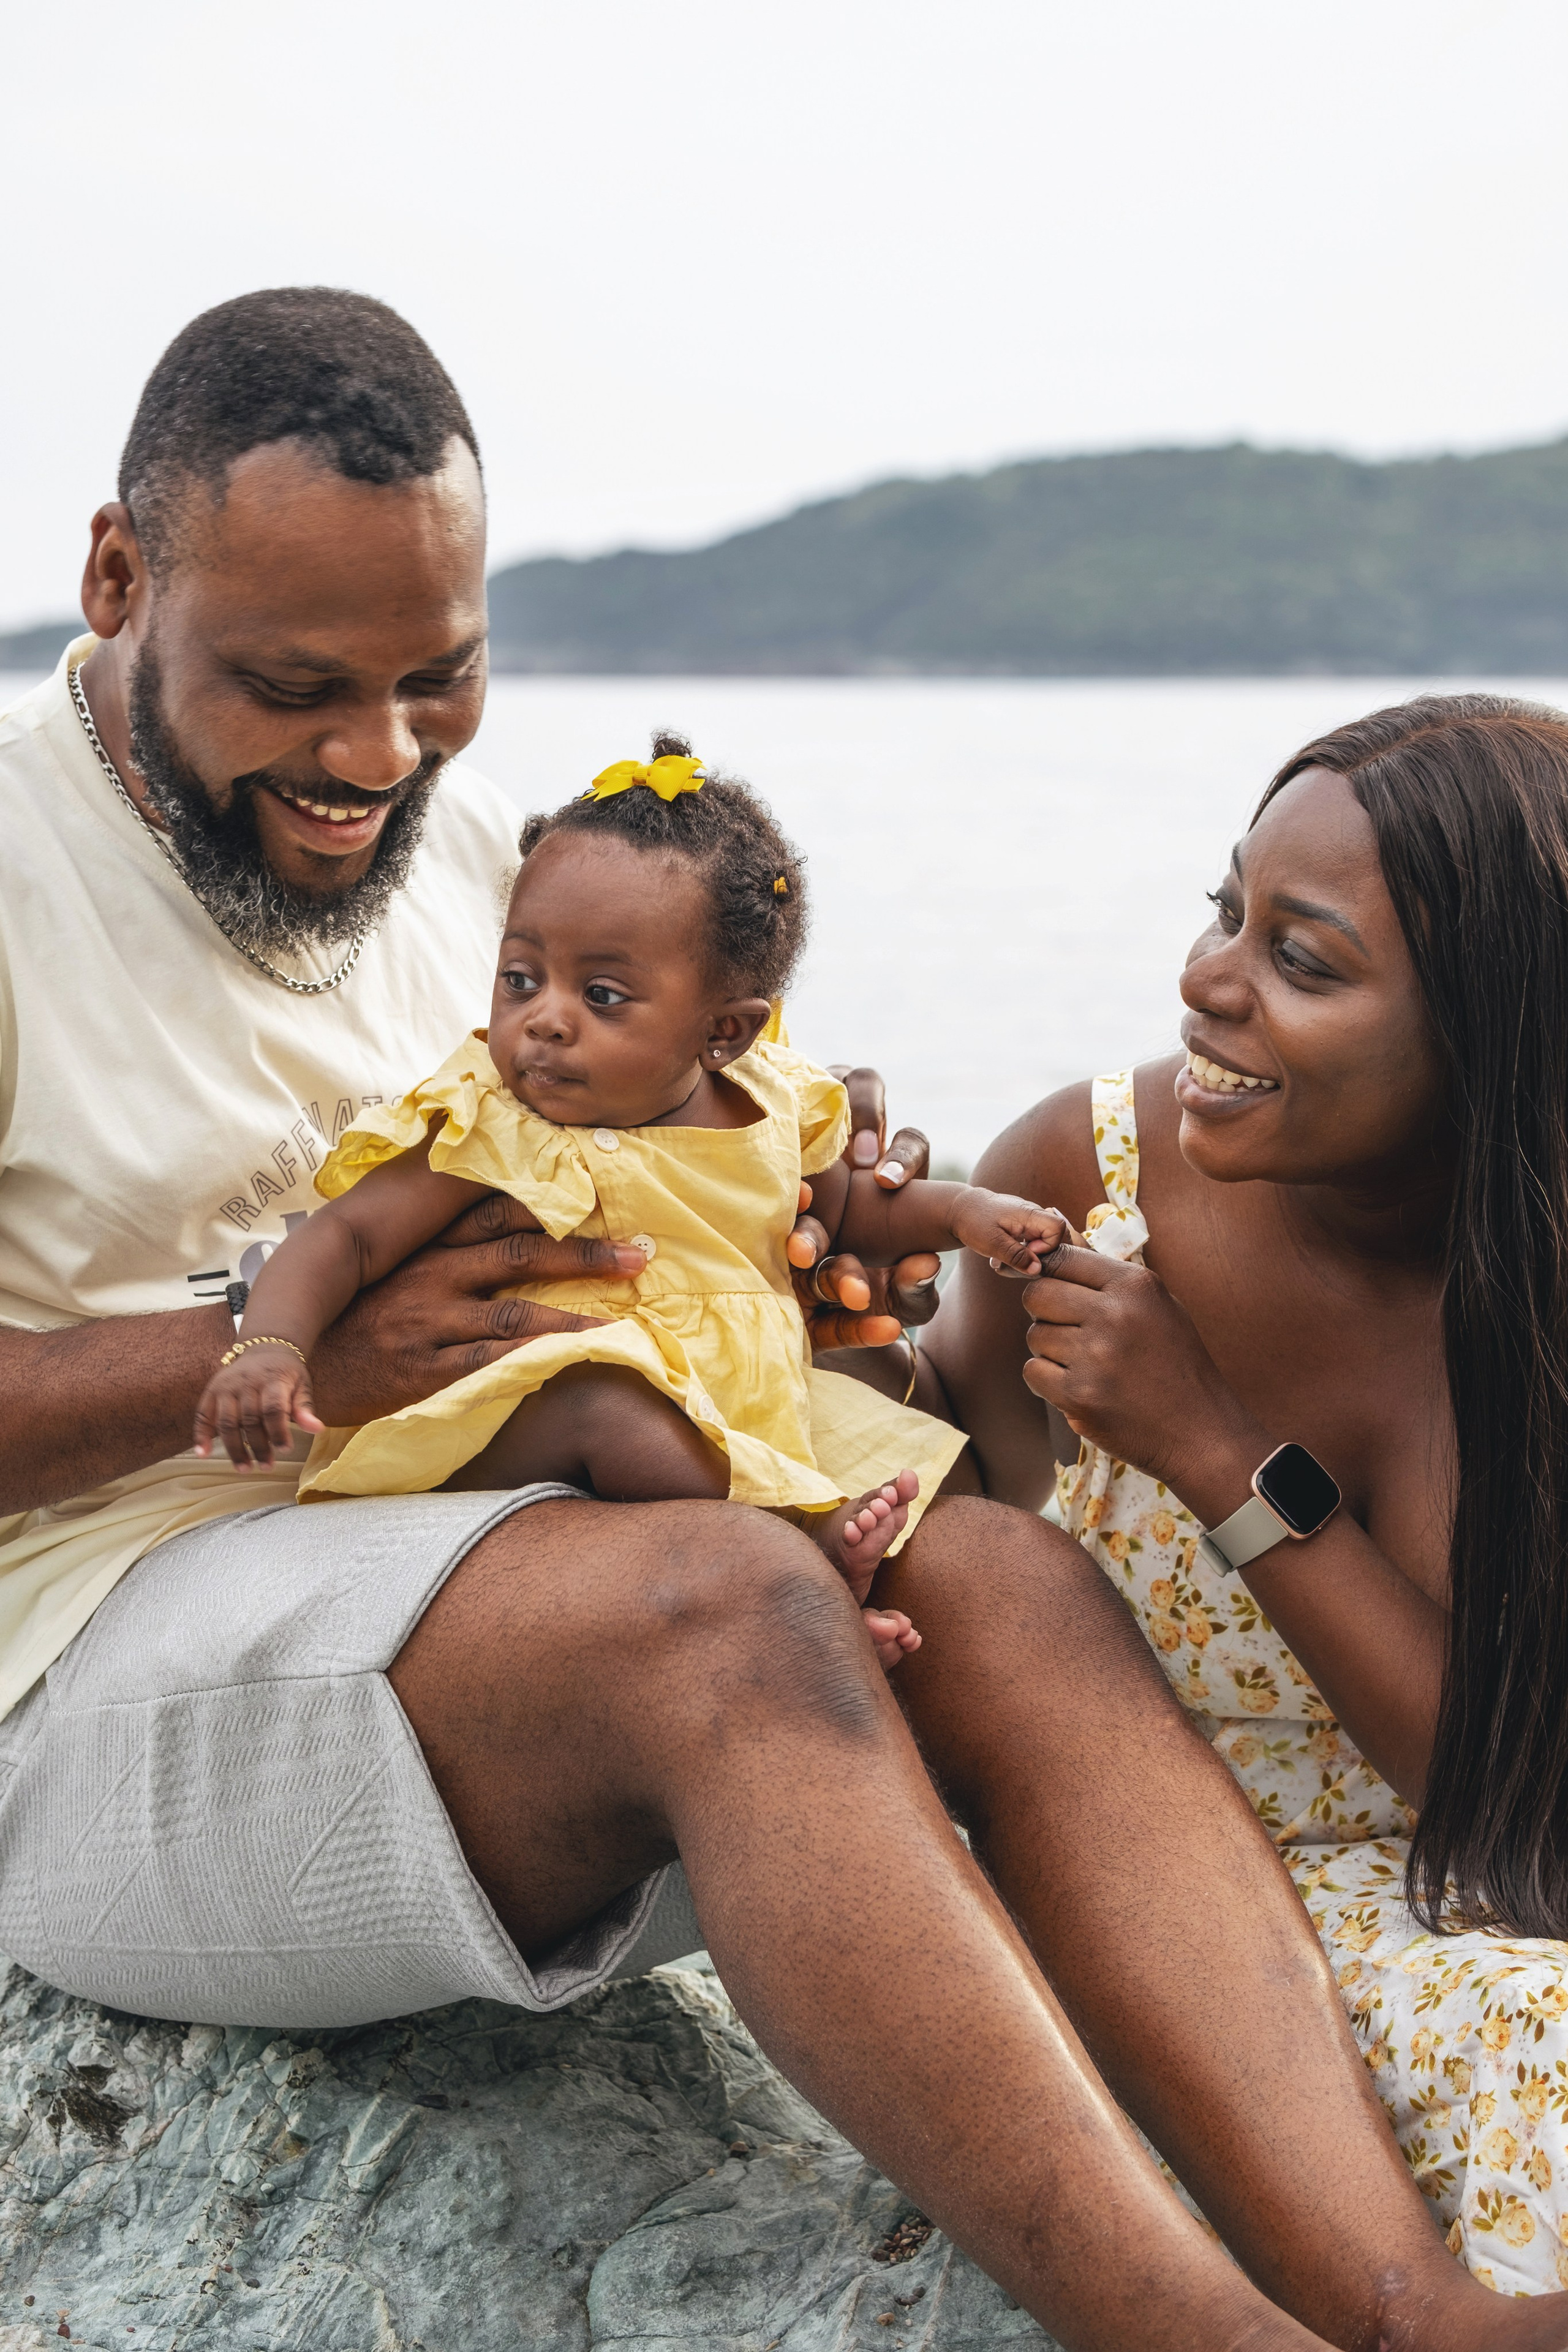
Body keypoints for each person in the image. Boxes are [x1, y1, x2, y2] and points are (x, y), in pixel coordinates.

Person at [2, 287, 1561, 2352]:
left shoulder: (495, 867)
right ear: (116, 575)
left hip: (487, 1584)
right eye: (298, 687)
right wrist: (275, 1362)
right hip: (100, 1662)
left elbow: (653, 1218)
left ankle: (1406, 2305)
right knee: (730, 1609)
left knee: (993, 1574)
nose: (373, 759)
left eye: (435, 682)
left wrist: (803, 1278)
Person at [913, 692, 1568, 2297]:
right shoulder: (1090, 1177)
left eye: (1303, 959)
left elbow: (1504, 1802)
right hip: (1148, 1917)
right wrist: (826, 1307)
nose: (1208, 981)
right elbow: (938, 1482)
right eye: (1228, 912)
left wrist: (1209, 1449)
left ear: (1489, 1029)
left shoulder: (1539, 1310)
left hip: (1477, 1901)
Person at [193, 744, 1060, 1597]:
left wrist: (964, 1215)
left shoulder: (772, 1105)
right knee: (614, 1411)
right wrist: (270, 1347)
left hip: (730, 1409)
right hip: (521, 1420)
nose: (545, 1021)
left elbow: (858, 1212)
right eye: (521, 978)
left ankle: (831, 1582)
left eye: (601, 996)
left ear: (724, 1033)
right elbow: (348, 1237)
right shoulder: (499, 1122)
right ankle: (797, 1571)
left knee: (917, 1466)